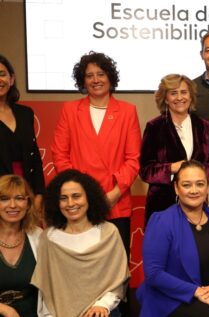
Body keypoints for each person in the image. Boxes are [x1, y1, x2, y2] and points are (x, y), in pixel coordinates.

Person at [50, 51, 141, 257]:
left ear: (110, 77)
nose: (95, 80)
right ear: (83, 80)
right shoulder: (70, 110)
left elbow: (133, 159)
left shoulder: (127, 111)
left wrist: (113, 195)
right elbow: (60, 155)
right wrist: (78, 193)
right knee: (81, 264)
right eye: (89, 75)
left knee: (116, 267)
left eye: (100, 74)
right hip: (78, 204)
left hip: (115, 202)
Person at [137, 160, 209, 317]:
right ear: (176, 189)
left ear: (208, 188)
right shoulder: (162, 221)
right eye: (186, 185)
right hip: (171, 299)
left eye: (200, 184)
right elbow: (154, 274)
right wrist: (197, 291)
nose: (194, 190)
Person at [32, 169, 129, 317]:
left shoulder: (109, 233)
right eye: (63, 198)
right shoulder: (48, 238)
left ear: (89, 198)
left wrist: (102, 306)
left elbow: (117, 282)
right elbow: (46, 288)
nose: (70, 203)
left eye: (76, 196)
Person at [139, 74, 209, 224]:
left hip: (197, 203)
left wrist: (195, 175)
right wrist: (172, 168)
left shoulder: (203, 126)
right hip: (162, 205)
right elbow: (145, 170)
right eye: (173, 93)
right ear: (166, 99)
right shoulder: (154, 127)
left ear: (191, 96)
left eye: (184, 92)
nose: (180, 97)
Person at [0, 55, 45, 210]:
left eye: (2, 74)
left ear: (11, 79)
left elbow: (35, 158)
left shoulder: (25, 113)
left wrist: (39, 194)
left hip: (27, 193)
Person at [0, 175, 44, 317]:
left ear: (28, 204)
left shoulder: (39, 236)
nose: (13, 205)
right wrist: (6, 310)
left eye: (19, 198)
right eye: (4, 199)